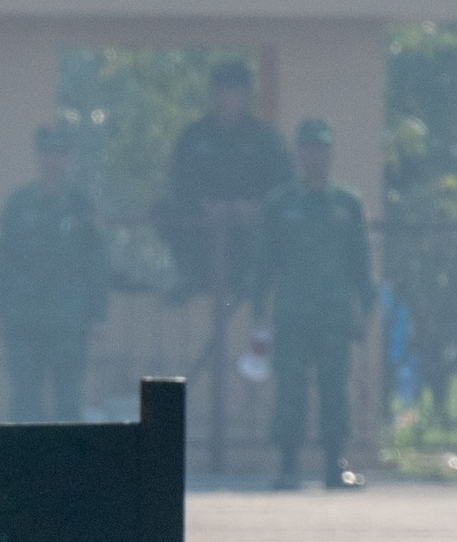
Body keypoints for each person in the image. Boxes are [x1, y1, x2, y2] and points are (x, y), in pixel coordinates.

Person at [249, 117, 374, 490]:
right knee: (290, 390)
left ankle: (335, 465)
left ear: (331, 152)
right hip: (291, 313)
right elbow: (263, 263)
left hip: (334, 314)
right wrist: (259, 313)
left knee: (336, 388)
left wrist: (365, 309)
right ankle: (288, 467)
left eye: (321, 147)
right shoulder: (280, 203)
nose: (314, 155)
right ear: (298, 152)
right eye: (307, 147)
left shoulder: (347, 204)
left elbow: (361, 262)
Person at [0, 121, 109, 423]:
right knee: (25, 399)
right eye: (47, 152)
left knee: (68, 401)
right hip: (24, 316)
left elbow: (96, 261)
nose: (53, 159)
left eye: (59, 153)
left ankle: (65, 470)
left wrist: (98, 314)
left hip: (69, 319)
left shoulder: (82, 204)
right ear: (38, 156)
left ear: (68, 157)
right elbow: (1, 260)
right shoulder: (19, 203)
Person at [159, 58, 291, 299]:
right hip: (203, 227)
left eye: (234, 91)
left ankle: (257, 282)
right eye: (221, 91)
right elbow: (179, 182)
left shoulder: (266, 141)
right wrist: (205, 206)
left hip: (249, 231)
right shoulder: (193, 136)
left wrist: (253, 208)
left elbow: (284, 189)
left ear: (246, 96)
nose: (226, 98)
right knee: (161, 209)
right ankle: (192, 277)